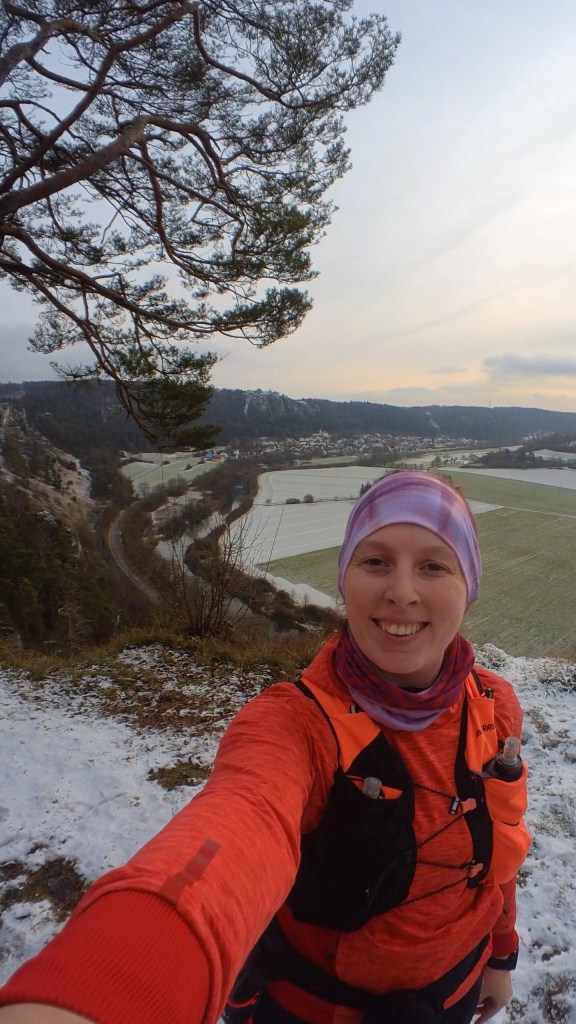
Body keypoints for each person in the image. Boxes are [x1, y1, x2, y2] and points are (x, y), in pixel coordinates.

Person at [0, 471, 530, 1024]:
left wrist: (501, 952)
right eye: (375, 561)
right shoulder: (297, 725)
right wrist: (111, 986)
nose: (402, 591)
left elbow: (501, 846)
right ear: (344, 578)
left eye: (434, 566)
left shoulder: (493, 707)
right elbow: (239, 823)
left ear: (469, 584)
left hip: (456, 993)